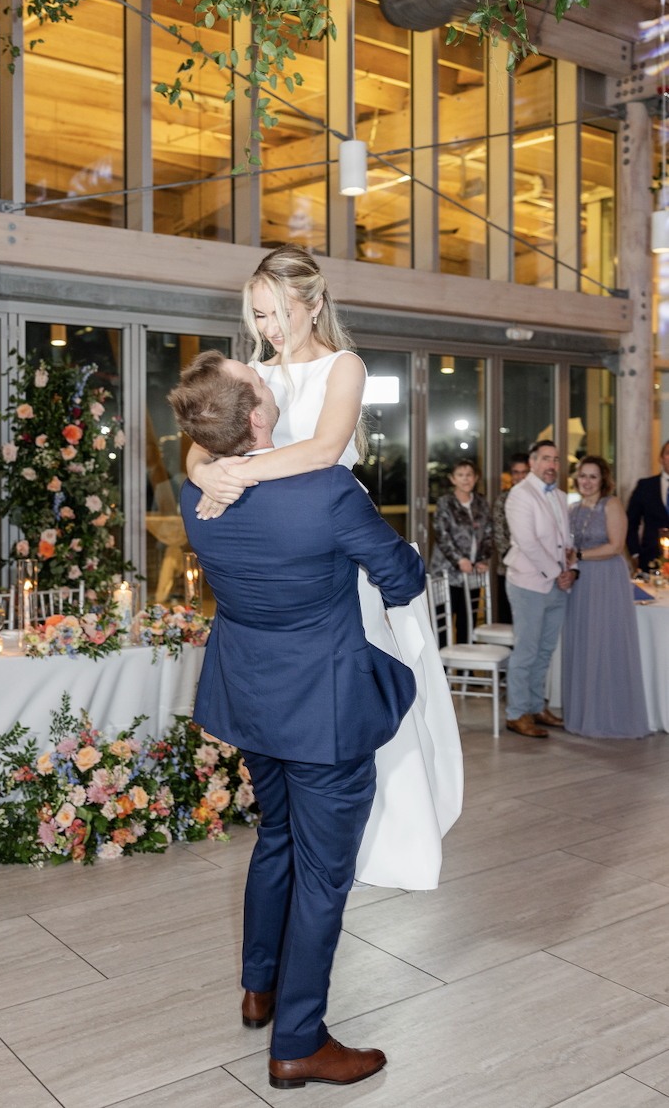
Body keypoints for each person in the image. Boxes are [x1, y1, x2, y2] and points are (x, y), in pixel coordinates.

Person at [170, 349, 424, 1089]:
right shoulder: (325, 491)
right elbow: (402, 578)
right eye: (256, 383)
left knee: (276, 837)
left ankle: (260, 987)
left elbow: (206, 456)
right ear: (257, 417)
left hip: (252, 698)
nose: (266, 374)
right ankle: (299, 1041)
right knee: (323, 874)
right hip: (325, 706)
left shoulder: (198, 493)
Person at [185, 243, 463, 891]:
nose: (269, 329)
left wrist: (235, 471)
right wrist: (208, 471)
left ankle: (389, 842)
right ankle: (314, 835)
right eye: (259, 315)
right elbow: (195, 455)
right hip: (282, 548)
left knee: (358, 682)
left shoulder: (345, 366)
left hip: (341, 541)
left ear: (314, 304)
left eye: (279, 312)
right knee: (303, 695)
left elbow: (325, 449)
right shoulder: (247, 376)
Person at [563, 456, 651, 738]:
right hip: (581, 581)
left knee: (606, 643)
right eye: (582, 476)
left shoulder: (611, 504)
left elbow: (615, 546)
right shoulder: (573, 507)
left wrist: (578, 555)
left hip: (607, 580)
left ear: (603, 480)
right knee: (585, 645)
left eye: (593, 477)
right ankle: (585, 713)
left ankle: (610, 715)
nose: (586, 482)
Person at [504, 439, 577, 738]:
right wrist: (558, 572)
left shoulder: (560, 496)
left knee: (545, 651)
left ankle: (536, 706)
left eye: (557, 460)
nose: (552, 465)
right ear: (533, 462)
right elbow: (528, 543)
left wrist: (572, 570)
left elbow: (568, 541)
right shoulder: (519, 495)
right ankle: (516, 713)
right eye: (546, 459)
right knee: (527, 650)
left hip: (558, 583)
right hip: (528, 583)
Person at [429, 459, 493, 645]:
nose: (465, 479)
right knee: (445, 623)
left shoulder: (481, 502)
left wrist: (483, 559)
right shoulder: (445, 503)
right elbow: (442, 535)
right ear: (452, 479)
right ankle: (443, 669)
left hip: (472, 573)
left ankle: (467, 669)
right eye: (460, 475)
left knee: (468, 622)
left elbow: (488, 532)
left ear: (476, 477)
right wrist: (459, 560)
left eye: (469, 475)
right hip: (447, 572)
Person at [493, 453, 530, 624]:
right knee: (507, 618)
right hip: (509, 568)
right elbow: (499, 533)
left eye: (524, 472)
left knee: (528, 618)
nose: (520, 476)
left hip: (534, 570)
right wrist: (516, 559)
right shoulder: (503, 499)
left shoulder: (538, 499)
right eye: (516, 472)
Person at [626, 440, 669, 571]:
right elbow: (630, 523)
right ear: (661, 458)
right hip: (650, 559)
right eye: (668, 453)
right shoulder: (645, 486)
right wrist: (635, 553)